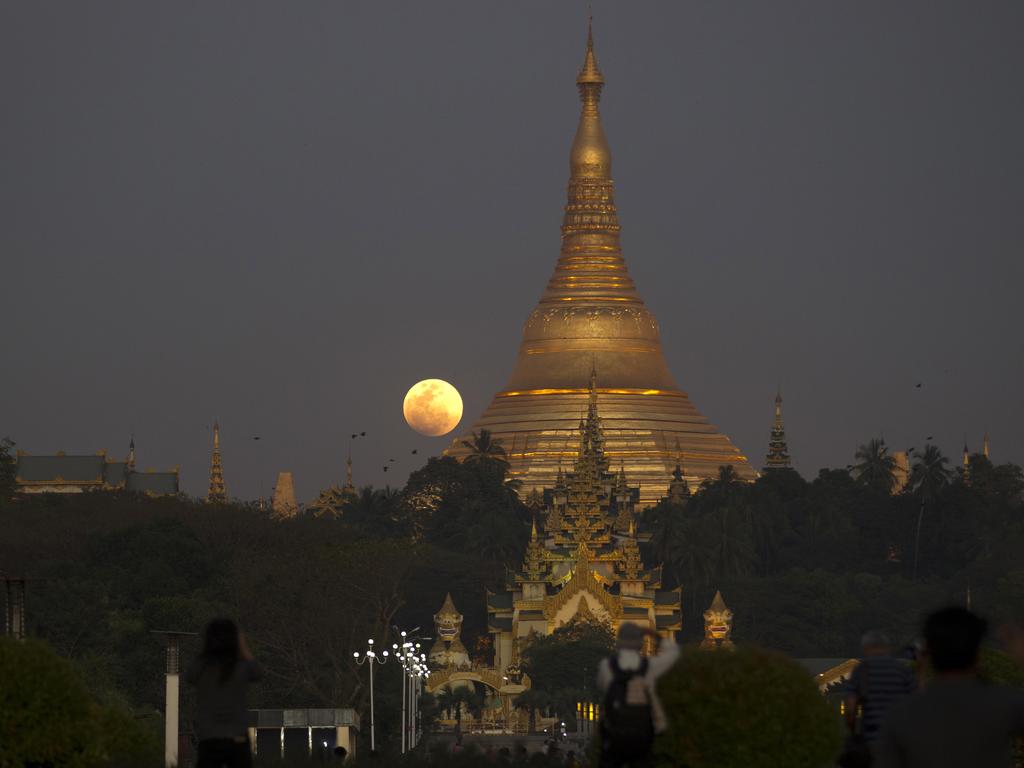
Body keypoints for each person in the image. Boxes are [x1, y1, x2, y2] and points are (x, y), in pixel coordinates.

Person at [875, 607, 1024, 768]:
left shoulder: (901, 714)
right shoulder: (1004, 704)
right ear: (978, 653)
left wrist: (921, 671)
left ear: (929, 653)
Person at [596, 624, 679, 768]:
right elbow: (673, 651)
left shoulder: (606, 666)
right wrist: (653, 633)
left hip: (615, 735)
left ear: (619, 642)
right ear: (640, 643)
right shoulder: (649, 666)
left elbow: (602, 688)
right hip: (642, 734)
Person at [187, 619, 261, 768]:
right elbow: (257, 673)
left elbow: (190, 676)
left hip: (209, 738)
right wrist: (242, 647)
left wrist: (207, 649)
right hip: (238, 736)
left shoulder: (202, 669)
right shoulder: (241, 668)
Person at [844, 630, 916, 749]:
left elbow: (850, 708)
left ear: (866, 648)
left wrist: (853, 731)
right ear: (887, 648)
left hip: (872, 737)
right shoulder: (902, 670)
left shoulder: (861, 670)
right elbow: (915, 702)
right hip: (899, 737)